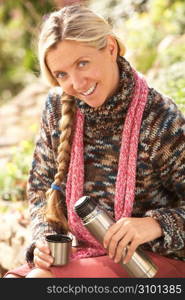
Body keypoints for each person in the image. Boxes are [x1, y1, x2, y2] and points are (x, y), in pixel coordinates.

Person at [5, 4, 185, 278]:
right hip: (88, 254)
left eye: (82, 63)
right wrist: (44, 237)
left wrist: (154, 224)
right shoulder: (58, 107)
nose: (76, 83)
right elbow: (42, 187)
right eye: (62, 74)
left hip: (152, 263)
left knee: (39, 283)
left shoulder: (159, 117)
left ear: (110, 48)